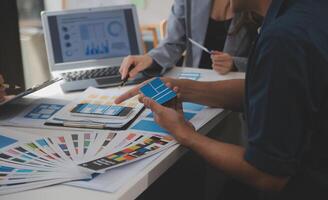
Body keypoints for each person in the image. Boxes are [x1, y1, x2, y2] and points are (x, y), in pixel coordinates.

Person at [116, 0, 328, 198]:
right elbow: (270, 90)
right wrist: (181, 87)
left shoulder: (283, 39)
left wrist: (185, 134)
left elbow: (268, 175)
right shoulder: (304, 13)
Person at [119, 0, 261, 80]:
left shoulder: (258, 4)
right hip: (194, 86)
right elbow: (173, 43)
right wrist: (149, 59)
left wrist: (235, 63)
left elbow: (269, 60)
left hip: (238, 90)